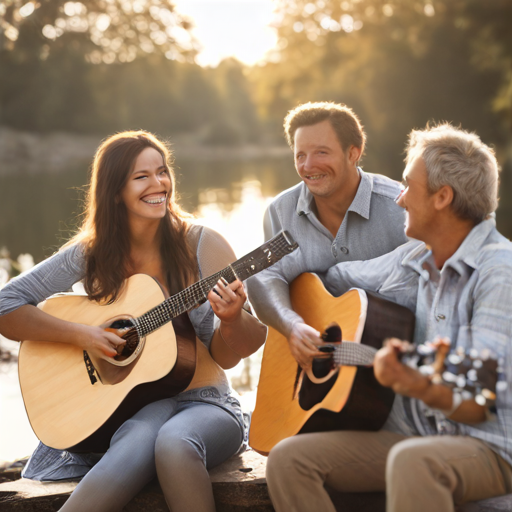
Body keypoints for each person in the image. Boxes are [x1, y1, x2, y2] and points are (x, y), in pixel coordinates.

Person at [0, 131, 267, 512]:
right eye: (142, 176)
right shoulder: (92, 253)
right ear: (114, 192)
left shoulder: (201, 244)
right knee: (140, 439)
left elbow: (231, 356)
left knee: (174, 443)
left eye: (162, 172)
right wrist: (85, 335)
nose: (158, 184)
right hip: (135, 407)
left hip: (207, 403)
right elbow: (5, 304)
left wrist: (230, 319)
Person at [265, 123, 512, 512]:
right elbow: (337, 277)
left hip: (492, 449)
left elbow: (475, 402)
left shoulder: (500, 273)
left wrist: (417, 383)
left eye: (409, 186)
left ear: (443, 197)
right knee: (288, 460)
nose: (399, 200)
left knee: (414, 462)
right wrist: (297, 321)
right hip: (417, 434)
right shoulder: (415, 256)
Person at [247, 101, 407, 369]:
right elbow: (264, 277)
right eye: (300, 155)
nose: (308, 166)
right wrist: (292, 326)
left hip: (395, 365)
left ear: (353, 153)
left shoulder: (400, 207)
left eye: (321, 152)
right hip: (315, 378)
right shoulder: (279, 212)